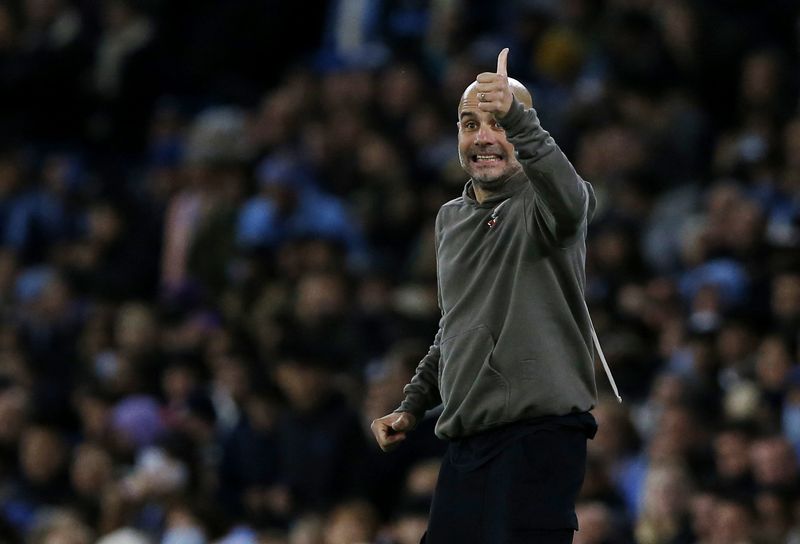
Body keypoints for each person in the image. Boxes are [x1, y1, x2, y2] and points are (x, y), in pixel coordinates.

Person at [371, 48, 612, 543]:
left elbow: (571, 203)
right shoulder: (450, 220)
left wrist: (520, 119)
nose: (483, 138)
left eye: (498, 123)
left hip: (538, 435)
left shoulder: (548, 203)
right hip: (467, 442)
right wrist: (413, 404)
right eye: (469, 124)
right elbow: (456, 325)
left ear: (524, 132)